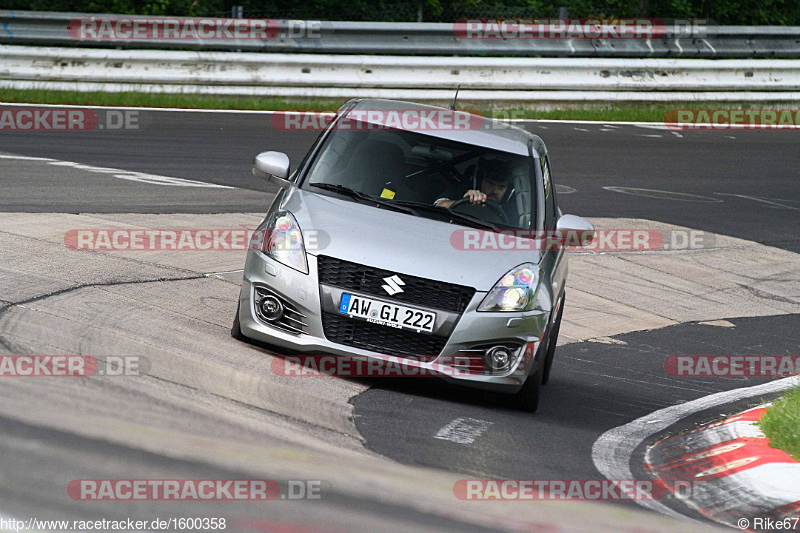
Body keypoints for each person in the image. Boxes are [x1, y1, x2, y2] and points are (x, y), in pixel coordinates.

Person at [434, 158, 518, 225]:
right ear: (479, 181)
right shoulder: (463, 192)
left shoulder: (514, 208)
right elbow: (439, 205)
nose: (495, 191)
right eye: (490, 184)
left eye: (501, 187)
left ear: (508, 190)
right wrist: (464, 203)